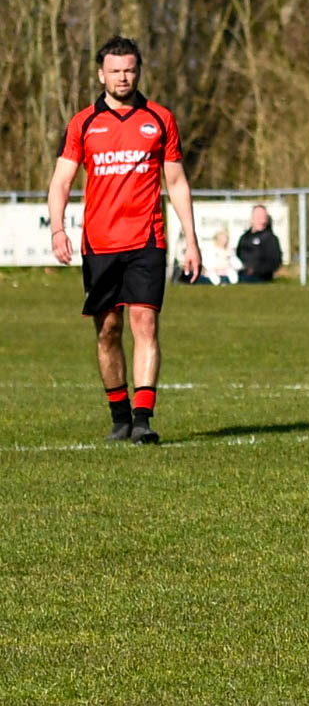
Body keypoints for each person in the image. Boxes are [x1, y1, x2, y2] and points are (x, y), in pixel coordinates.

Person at [47, 35, 200, 445]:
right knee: (108, 330)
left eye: (129, 70)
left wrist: (191, 239)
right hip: (99, 244)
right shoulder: (83, 123)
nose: (122, 77)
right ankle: (120, 417)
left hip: (147, 238)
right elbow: (61, 181)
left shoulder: (160, 119)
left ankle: (143, 418)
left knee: (144, 321)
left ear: (139, 72)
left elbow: (176, 182)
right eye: (115, 71)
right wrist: (58, 228)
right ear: (101, 75)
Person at [236, 204, 283, 282]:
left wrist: (255, 270)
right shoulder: (244, 237)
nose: (262, 221)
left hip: (260, 278)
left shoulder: (270, 239)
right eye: (259, 218)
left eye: (264, 218)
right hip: (240, 274)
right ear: (252, 218)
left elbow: (275, 262)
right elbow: (238, 255)